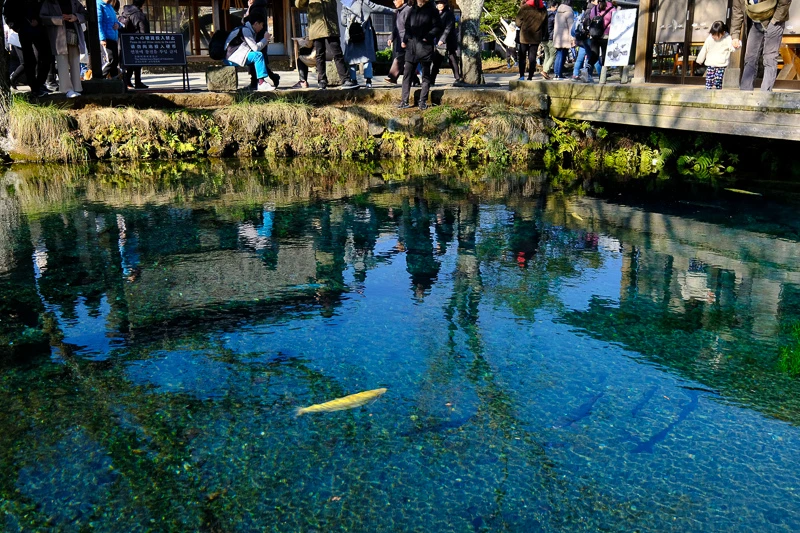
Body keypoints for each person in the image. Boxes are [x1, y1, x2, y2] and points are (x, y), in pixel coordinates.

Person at [731, 0, 793, 92]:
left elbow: (784, 2)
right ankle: (745, 92)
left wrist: (775, 20)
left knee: (769, 58)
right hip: (755, 23)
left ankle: (765, 94)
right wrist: (735, 35)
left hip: (774, 21)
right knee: (750, 58)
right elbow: (737, 11)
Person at [296, 0, 357, 89]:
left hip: (331, 26)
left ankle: (346, 80)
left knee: (337, 53)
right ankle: (322, 81)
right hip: (316, 27)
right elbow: (299, 4)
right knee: (319, 54)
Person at [398, 0, 442, 110]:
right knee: (407, 74)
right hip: (411, 47)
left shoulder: (432, 10)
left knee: (425, 75)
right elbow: (407, 26)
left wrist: (428, 37)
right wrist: (405, 39)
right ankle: (404, 100)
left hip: (425, 47)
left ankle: (423, 101)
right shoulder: (413, 9)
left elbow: (437, 26)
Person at [341, 0, 395, 88]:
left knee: (352, 59)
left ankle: (353, 80)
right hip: (365, 34)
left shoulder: (346, 5)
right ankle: (368, 81)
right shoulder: (365, 2)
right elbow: (379, 8)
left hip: (351, 35)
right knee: (367, 58)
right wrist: (394, 11)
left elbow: (343, 22)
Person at [4, 2, 53, 97]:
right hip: (24, 28)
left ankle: (39, 85)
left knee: (46, 58)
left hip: (39, 27)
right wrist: (17, 26)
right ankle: (35, 88)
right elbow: (8, 12)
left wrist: (39, 20)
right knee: (29, 60)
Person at [40, 0, 87, 98]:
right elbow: (43, 17)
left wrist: (76, 17)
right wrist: (59, 19)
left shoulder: (74, 2)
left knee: (75, 62)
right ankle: (67, 90)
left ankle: (77, 88)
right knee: (62, 63)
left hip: (74, 35)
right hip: (58, 37)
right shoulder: (49, 3)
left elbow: (85, 14)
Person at [223, 13, 275, 91]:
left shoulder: (246, 29)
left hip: (233, 56)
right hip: (231, 57)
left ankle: (255, 83)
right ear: (256, 23)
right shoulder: (246, 30)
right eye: (261, 25)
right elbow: (256, 48)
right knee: (258, 55)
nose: (262, 27)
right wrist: (265, 39)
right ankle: (261, 83)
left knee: (255, 57)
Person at [243, 0, 281, 89]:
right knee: (259, 60)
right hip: (260, 36)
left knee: (256, 60)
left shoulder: (257, 8)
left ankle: (257, 82)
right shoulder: (260, 6)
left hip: (257, 37)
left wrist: (249, 8)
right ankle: (272, 77)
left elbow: (246, 20)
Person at [118, 0, 149, 89]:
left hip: (124, 41)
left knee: (128, 62)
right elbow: (144, 31)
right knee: (137, 62)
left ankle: (127, 81)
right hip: (136, 41)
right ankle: (137, 82)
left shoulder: (125, 11)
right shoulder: (139, 14)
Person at [386, 0, 418, 84]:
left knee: (400, 59)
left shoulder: (408, 10)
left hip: (407, 40)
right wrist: (391, 38)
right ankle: (415, 80)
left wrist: (406, 40)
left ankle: (392, 77)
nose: (394, 2)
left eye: (396, 0)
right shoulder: (398, 12)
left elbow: (409, 26)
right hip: (400, 39)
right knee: (406, 61)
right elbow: (396, 28)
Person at [696, 21, 735, 90]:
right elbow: (704, 49)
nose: (713, 36)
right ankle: (707, 93)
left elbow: (732, 47)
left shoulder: (727, 38)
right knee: (709, 80)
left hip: (721, 64)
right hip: (711, 63)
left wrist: (736, 46)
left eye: (716, 35)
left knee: (718, 81)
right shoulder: (709, 39)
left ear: (722, 33)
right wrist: (700, 59)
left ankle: (718, 93)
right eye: (712, 34)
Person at [430, 0, 460, 85]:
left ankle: (457, 78)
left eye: (441, 3)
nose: (439, 5)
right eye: (438, 3)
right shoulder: (435, 14)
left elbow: (448, 28)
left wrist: (442, 39)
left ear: (445, 4)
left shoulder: (449, 14)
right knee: (436, 61)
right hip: (439, 40)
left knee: (452, 59)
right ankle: (432, 80)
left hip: (449, 40)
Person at [515, 0, 547, 81]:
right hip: (536, 36)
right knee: (532, 57)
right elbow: (545, 25)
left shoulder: (525, 7)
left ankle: (522, 76)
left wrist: (523, 25)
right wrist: (542, 35)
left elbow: (518, 22)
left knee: (522, 56)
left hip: (524, 36)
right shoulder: (543, 9)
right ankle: (530, 77)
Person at [588, 0, 614, 72]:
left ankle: (586, 69)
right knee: (604, 55)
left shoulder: (594, 8)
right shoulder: (612, 9)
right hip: (605, 35)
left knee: (594, 55)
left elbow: (591, 18)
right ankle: (603, 75)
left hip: (594, 34)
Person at [97, 0, 120, 79]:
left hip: (113, 37)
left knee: (115, 61)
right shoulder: (99, 5)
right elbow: (98, 23)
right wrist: (102, 38)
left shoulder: (109, 6)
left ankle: (115, 81)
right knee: (110, 60)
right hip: (105, 38)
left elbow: (115, 21)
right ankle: (99, 78)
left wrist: (118, 24)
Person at [552, 0, 573, 80]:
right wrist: (572, 38)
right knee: (562, 55)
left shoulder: (558, 12)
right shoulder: (569, 12)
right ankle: (559, 74)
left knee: (558, 54)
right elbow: (571, 27)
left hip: (558, 37)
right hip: (565, 37)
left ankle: (556, 73)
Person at [540, 2, 557, 79]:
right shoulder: (553, 16)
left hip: (543, 37)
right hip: (550, 38)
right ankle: (545, 71)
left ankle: (544, 73)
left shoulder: (543, 15)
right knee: (553, 55)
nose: (556, 8)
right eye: (556, 6)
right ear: (552, 6)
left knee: (547, 56)